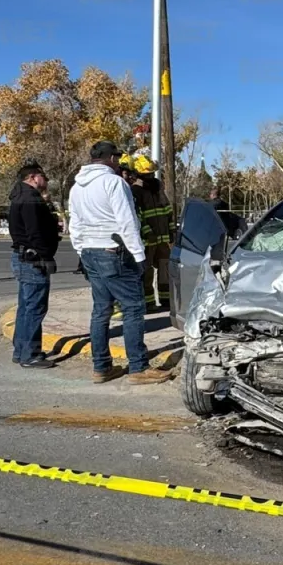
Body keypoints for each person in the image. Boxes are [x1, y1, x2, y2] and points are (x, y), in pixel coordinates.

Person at [70, 141, 173, 386]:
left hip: (90, 252)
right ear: (111, 158)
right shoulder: (113, 183)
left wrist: (80, 250)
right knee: (134, 308)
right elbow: (127, 222)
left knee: (101, 311)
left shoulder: (77, 187)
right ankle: (138, 367)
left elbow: (74, 224)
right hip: (114, 251)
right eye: (117, 157)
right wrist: (139, 257)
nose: (119, 162)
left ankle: (101, 367)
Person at [7, 162, 61, 369]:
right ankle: (29, 354)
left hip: (24, 257)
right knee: (35, 308)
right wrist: (45, 256)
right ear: (33, 177)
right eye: (43, 177)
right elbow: (34, 232)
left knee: (26, 307)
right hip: (32, 259)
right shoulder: (30, 199)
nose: (46, 181)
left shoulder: (20, 197)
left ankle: (21, 350)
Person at [119, 153, 175, 308]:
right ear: (138, 174)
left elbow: (167, 209)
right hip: (148, 239)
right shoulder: (135, 190)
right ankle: (148, 302)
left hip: (163, 238)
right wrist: (147, 232)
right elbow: (137, 215)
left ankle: (166, 299)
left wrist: (171, 230)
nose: (150, 176)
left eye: (151, 173)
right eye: (146, 174)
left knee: (165, 269)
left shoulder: (158, 187)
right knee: (147, 272)